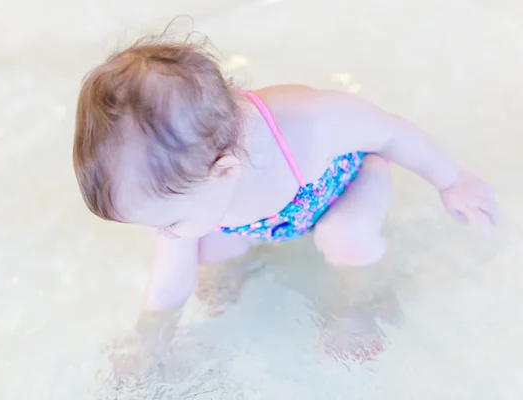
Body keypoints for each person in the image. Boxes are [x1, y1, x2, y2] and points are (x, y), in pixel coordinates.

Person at [72, 34, 498, 343]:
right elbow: (169, 277)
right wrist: (150, 337)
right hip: (253, 217)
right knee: (204, 254)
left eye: (167, 222)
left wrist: (452, 180)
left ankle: (360, 302)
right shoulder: (184, 187)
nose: (161, 234)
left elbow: (388, 133)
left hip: (341, 189)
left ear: (224, 170)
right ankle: (232, 266)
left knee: (347, 238)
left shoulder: (309, 123)